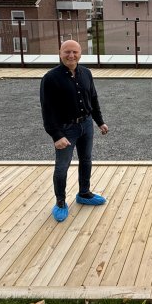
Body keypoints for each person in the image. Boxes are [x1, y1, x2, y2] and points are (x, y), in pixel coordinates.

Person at [40, 39, 109, 222]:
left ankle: (84, 193)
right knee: (62, 167)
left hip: (86, 124)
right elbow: (47, 111)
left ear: (80, 54)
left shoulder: (86, 73)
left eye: (75, 52)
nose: (71, 55)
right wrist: (57, 135)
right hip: (65, 129)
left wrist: (99, 122)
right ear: (60, 53)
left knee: (86, 160)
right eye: (67, 52)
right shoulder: (50, 78)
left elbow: (93, 99)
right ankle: (61, 202)